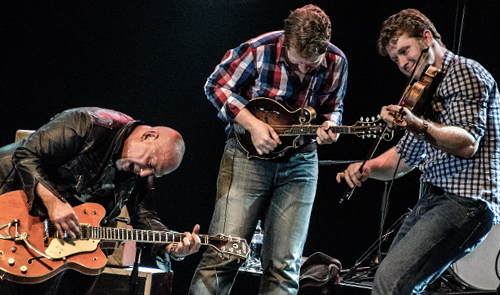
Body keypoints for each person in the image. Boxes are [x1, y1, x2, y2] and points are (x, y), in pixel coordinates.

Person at [336, 8, 500, 295]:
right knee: (386, 283)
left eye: (405, 50)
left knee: (391, 283)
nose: (402, 62)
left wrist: (417, 124)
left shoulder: (463, 72)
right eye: (395, 58)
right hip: (433, 201)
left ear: (426, 37)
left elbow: (467, 143)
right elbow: (405, 157)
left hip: (465, 202)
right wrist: (367, 168)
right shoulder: (425, 88)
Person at [188, 4, 348, 295]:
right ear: (286, 41)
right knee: (224, 254)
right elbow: (216, 86)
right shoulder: (258, 50)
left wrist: (331, 127)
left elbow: (334, 107)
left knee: (284, 267)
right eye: (297, 62)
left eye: (311, 65)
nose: (303, 70)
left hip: (300, 163)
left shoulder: (337, 62)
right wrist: (251, 124)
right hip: (247, 157)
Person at [0, 107, 201, 295]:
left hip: (66, 241)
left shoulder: (139, 170)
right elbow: (25, 153)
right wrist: (53, 202)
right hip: (13, 202)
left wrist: (171, 245)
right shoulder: (87, 124)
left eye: (154, 173)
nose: (145, 173)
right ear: (148, 136)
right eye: (150, 164)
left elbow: (144, 214)